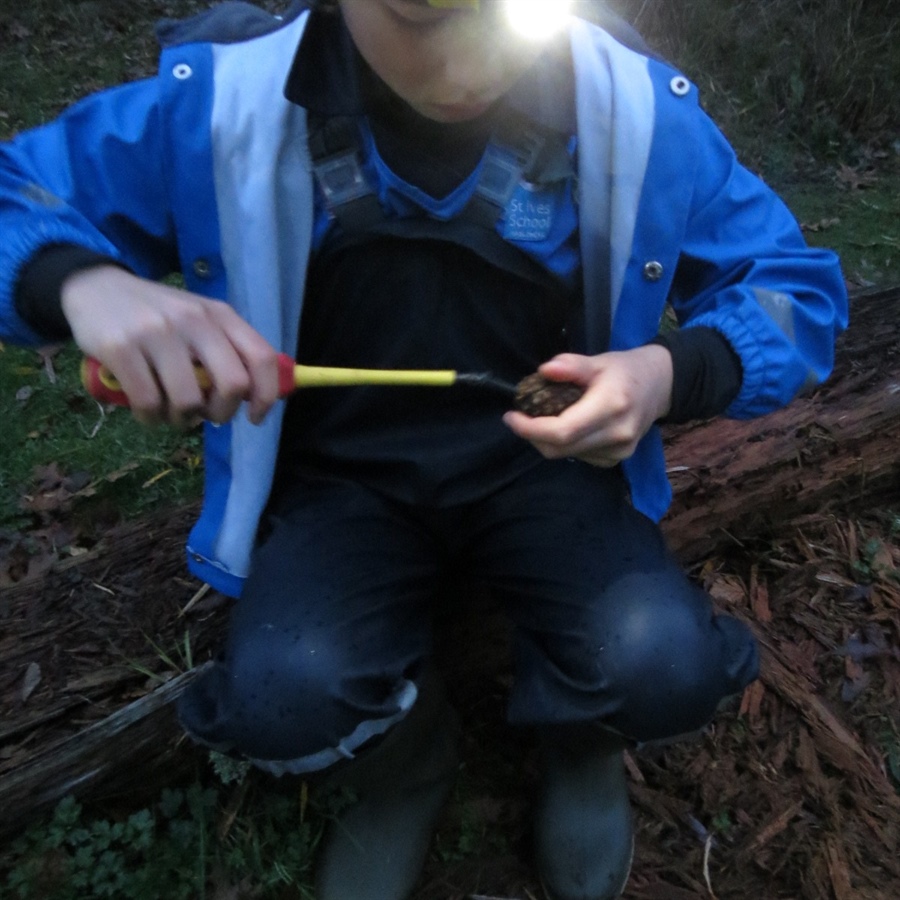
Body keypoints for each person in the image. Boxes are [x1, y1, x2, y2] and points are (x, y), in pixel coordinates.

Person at [0, 1, 848, 897]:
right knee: (282, 693)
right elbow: (19, 190)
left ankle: (581, 743)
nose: (465, 65)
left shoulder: (633, 113)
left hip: (544, 469)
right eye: (420, 12)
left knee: (662, 665)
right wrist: (81, 282)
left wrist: (671, 370)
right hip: (340, 484)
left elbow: (795, 287)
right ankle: (403, 759)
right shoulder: (223, 105)